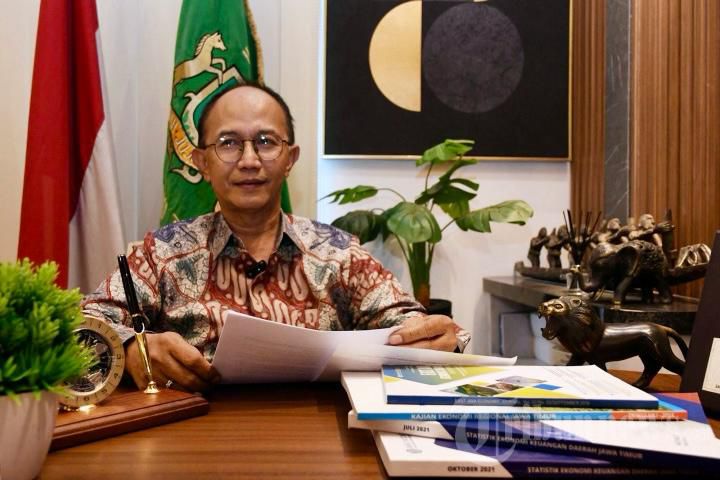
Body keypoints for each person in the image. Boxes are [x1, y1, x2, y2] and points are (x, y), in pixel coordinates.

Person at [82, 83, 468, 393]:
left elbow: (408, 325)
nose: (249, 160)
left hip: (319, 442)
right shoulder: (162, 254)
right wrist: (132, 348)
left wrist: (434, 337)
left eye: (266, 142)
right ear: (202, 163)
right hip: (191, 440)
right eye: (229, 143)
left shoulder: (338, 255)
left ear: (290, 159)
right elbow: (80, 329)